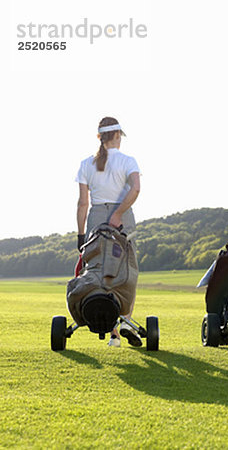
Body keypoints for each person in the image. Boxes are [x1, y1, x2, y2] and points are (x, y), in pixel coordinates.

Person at [75, 117, 142, 348]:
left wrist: (81, 236)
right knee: (127, 269)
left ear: (99, 137)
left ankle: (113, 332)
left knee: (99, 272)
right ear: (117, 136)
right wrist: (119, 212)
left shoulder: (86, 164)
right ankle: (125, 322)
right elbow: (136, 188)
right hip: (123, 218)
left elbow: (83, 204)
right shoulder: (128, 161)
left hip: (95, 218)